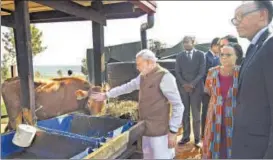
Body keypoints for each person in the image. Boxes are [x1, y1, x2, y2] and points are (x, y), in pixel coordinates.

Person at [92, 49, 184, 159]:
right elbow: (127, 87)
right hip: (145, 128)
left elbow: (178, 105)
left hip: (160, 132)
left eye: (139, 64)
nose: (137, 67)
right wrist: (106, 95)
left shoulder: (165, 77)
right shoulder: (142, 76)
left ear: (149, 62)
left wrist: (173, 131)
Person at [231, 1, 273, 158]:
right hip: (246, 144)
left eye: (240, 16)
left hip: (259, 150)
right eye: (234, 19)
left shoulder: (270, 47)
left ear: (262, 15)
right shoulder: (255, 48)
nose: (236, 23)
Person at [202, 42, 243, 159]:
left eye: (228, 55)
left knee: (232, 146)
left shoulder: (241, 72)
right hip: (214, 115)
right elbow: (208, 92)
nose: (224, 57)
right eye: (221, 54)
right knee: (214, 146)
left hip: (235, 117)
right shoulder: (212, 72)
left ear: (237, 56)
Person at [175, 36, 205, 147]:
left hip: (196, 88)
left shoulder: (201, 55)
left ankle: (197, 139)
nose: (185, 44)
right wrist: (184, 84)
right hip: (183, 89)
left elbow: (202, 72)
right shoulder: (179, 56)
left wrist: (192, 84)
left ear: (193, 43)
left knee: (196, 114)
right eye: (184, 42)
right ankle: (185, 137)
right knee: (185, 113)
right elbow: (177, 72)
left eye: (187, 42)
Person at [201, 37, 221, 139]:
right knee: (205, 111)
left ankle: (211, 132)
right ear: (213, 45)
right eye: (218, 45)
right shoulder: (205, 56)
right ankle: (204, 133)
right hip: (207, 90)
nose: (220, 48)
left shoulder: (218, 58)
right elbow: (203, 74)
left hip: (216, 90)